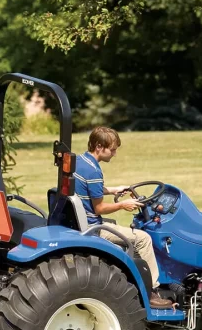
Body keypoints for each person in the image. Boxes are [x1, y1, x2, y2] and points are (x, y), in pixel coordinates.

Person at [74, 126, 173, 309]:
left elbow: (88, 190)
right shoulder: (94, 172)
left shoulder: (80, 162)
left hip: (81, 222)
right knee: (143, 239)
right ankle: (151, 292)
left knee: (128, 234)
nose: (115, 154)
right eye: (112, 149)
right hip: (93, 227)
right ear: (99, 146)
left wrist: (113, 189)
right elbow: (100, 208)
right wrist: (122, 204)